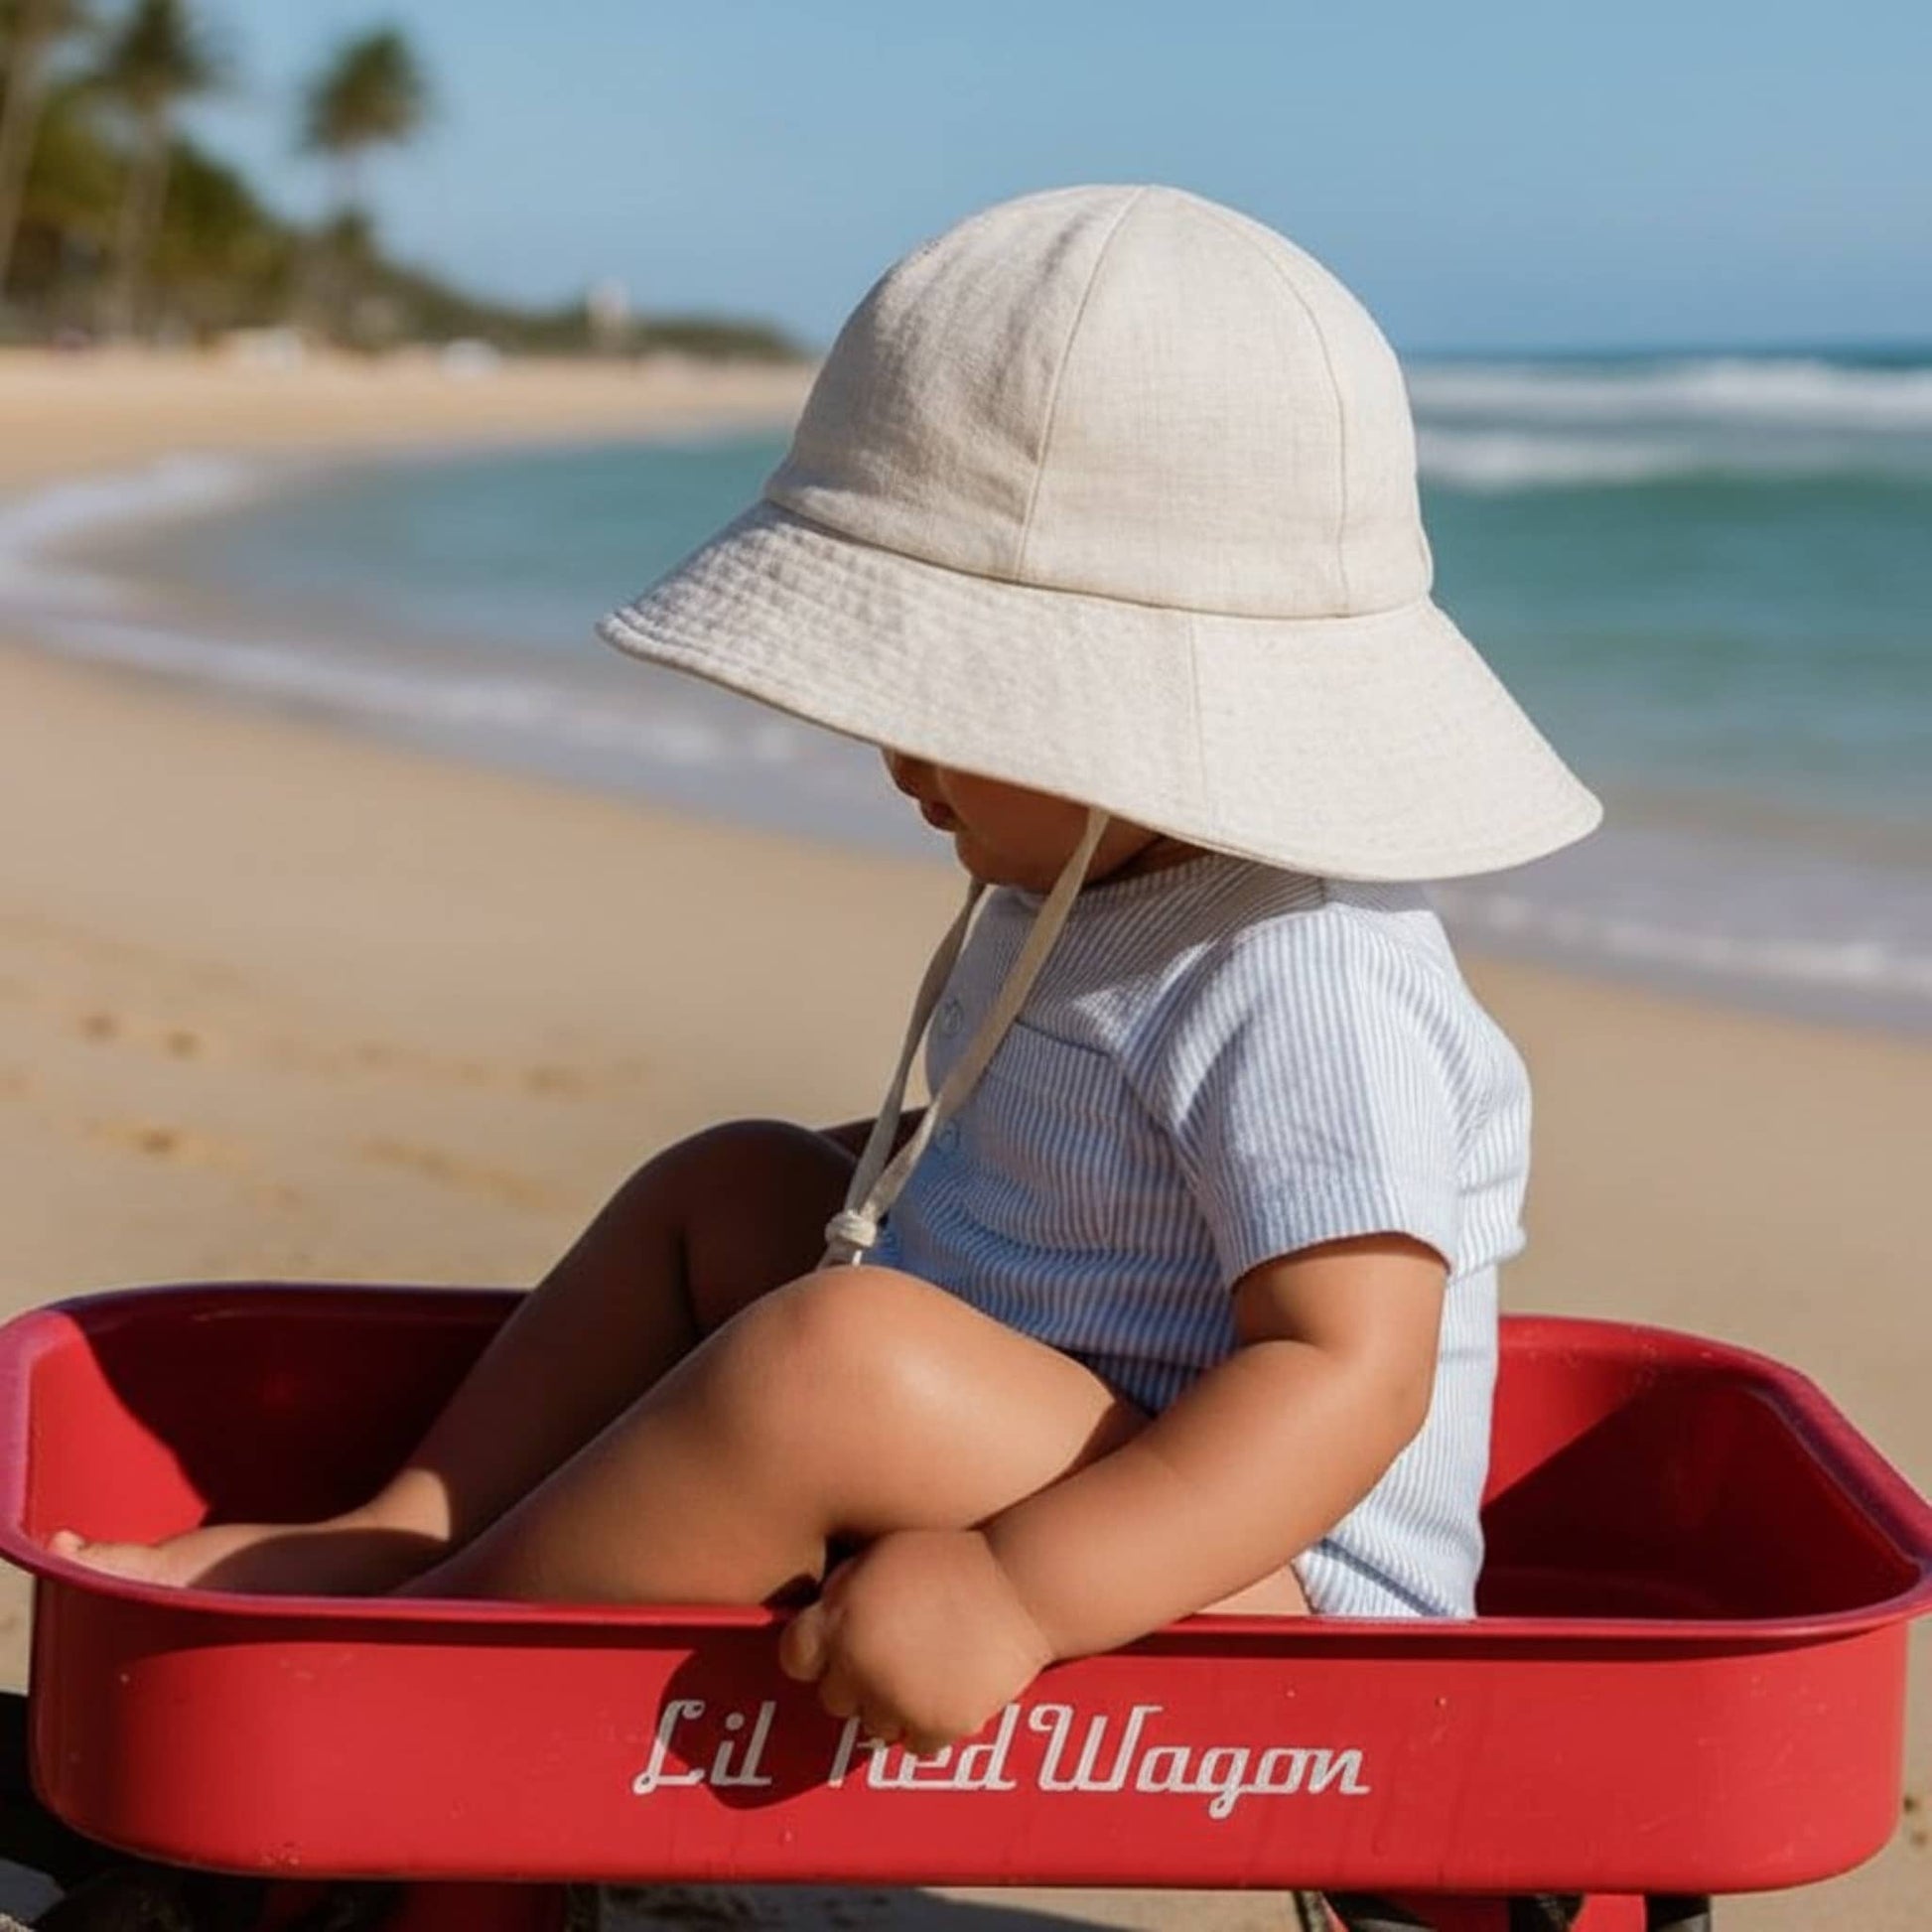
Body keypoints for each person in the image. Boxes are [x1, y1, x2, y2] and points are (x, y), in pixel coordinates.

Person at [51, 185, 1600, 1759]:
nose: (893, 748)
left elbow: (1347, 1372)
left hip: (1255, 1565)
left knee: (828, 1361)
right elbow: (1077, 1194)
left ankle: (411, 1690)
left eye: (948, 702)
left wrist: (1020, 1591)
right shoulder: (1086, 872)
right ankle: (410, 1537)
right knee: (729, 1188)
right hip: (1060, 1424)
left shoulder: (1306, 974)